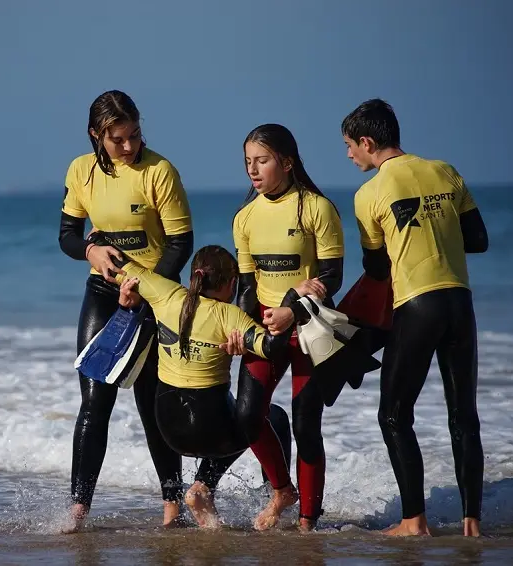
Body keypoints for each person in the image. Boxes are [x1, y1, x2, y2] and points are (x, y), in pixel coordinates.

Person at [341, 98, 489, 537]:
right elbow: (477, 239)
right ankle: (472, 523)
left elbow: (375, 268)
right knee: (464, 414)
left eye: (350, 146)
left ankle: (413, 521)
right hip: (460, 304)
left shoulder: (368, 194)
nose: (349, 155)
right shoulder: (445, 171)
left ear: (368, 142)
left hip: (418, 306)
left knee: (394, 414)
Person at [58, 90, 195, 532]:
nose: (130, 146)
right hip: (103, 293)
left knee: (152, 404)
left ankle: (172, 507)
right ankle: (78, 511)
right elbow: (66, 235)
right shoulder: (81, 171)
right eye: (118, 139)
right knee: (94, 402)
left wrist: (147, 288)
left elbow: (180, 242)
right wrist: (90, 252)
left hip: (153, 298)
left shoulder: (159, 171)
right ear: (96, 135)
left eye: (134, 134)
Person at [108, 241, 311, 528]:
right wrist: (293, 301)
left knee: (228, 410)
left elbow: (115, 264)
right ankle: (279, 494)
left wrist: (94, 242)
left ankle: (202, 490)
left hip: (168, 427)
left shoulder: (164, 292)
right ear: (231, 284)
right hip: (210, 431)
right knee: (270, 416)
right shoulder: (231, 317)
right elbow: (274, 347)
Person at [229, 124, 345, 532]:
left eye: (262, 161)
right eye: (248, 162)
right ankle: (282, 489)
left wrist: (292, 309)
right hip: (265, 327)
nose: (253, 171)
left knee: (306, 423)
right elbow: (246, 288)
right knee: (246, 415)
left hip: (310, 328)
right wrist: (243, 332)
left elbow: (331, 276)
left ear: (287, 161)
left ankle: (308, 522)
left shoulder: (316, 208)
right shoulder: (245, 217)